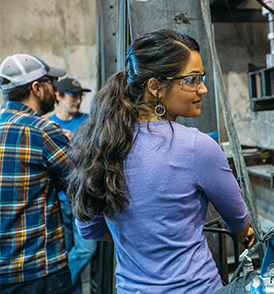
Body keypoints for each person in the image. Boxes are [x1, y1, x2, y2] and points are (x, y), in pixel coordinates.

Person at [66, 28, 255, 294]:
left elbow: (90, 230)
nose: (203, 88)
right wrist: (242, 233)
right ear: (155, 86)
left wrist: (140, 239)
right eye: (191, 79)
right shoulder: (196, 146)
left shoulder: (100, 146)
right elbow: (238, 218)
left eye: (201, 78)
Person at [0, 54, 72, 293]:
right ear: (37, 88)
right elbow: (82, 185)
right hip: (40, 273)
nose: (55, 88)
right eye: (52, 82)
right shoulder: (42, 130)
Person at [48, 77, 97, 294]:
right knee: (64, 251)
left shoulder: (88, 122)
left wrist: (74, 139)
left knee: (86, 248)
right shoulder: (48, 126)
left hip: (83, 197)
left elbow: (98, 153)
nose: (78, 100)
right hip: (57, 199)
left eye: (80, 95)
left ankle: (58, 286)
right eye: (72, 95)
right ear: (58, 96)